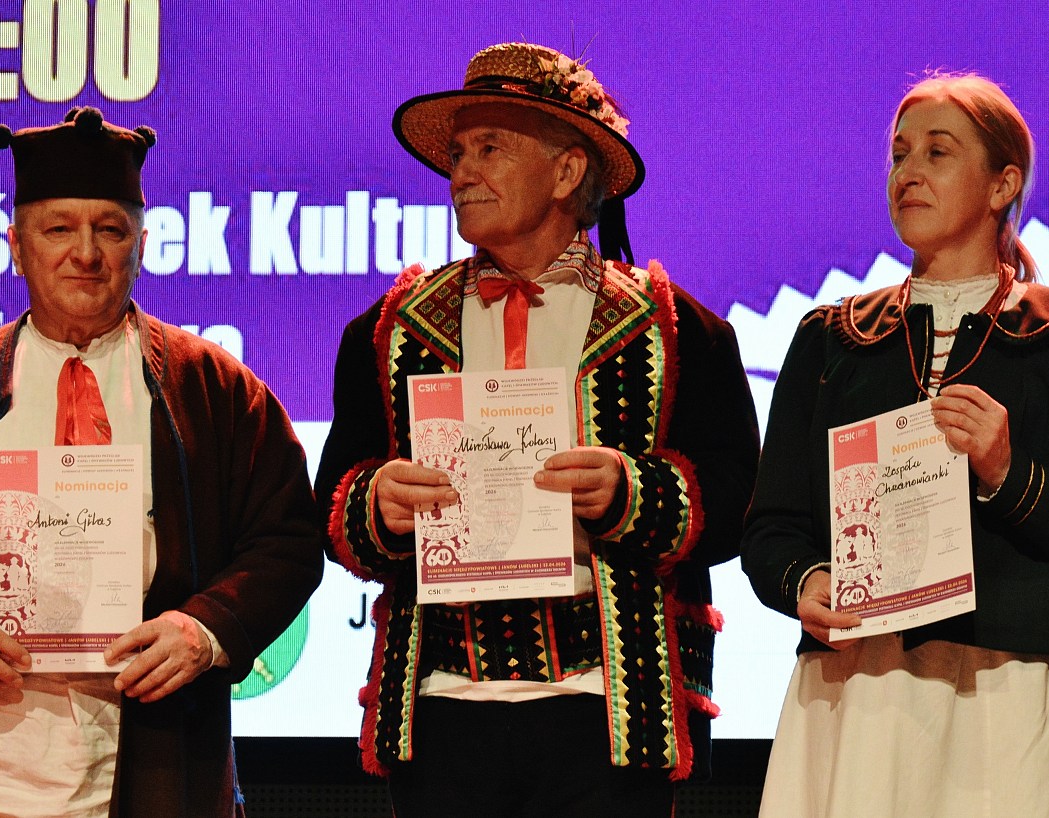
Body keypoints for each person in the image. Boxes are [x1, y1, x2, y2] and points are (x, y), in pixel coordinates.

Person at [315, 42, 759, 816]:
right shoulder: (390, 331)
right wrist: (376, 503)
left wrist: (631, 492)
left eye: (489, 148)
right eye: (458, 153)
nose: (461, 172)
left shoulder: (678, 330)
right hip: (442, 711)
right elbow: (332, 503)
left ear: (567, 172)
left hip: (610, 712)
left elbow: (739, 502)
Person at [741, 72, 1049, 817]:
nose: (908, 173)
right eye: (899, 154)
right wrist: (805, 582)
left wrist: (1009, 474)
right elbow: (773, 526)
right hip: (858, 697)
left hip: (1013, 702)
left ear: (1003, 185)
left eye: (938, 153)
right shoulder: (832, 342)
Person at [0, 107, 325, 817]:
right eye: (58, 229)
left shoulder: (215, 389)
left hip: (156, 765)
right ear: (16, 247)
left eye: (110, 229)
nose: (86, 253)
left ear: (142, 244)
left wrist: (204, 630)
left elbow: (287, 540)